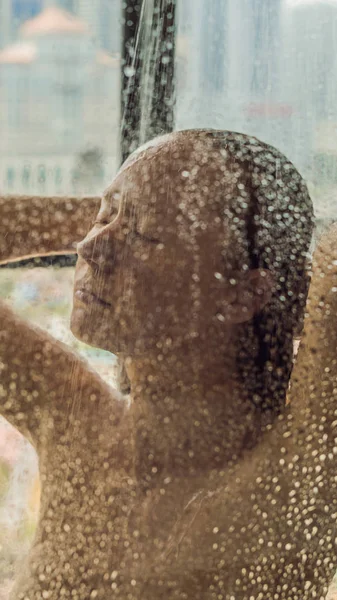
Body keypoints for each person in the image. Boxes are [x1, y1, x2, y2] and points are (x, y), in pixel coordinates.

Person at [0, 128, 334, 599]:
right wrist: (124, 205)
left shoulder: (291, 474)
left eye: (144, 234)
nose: (88, 247)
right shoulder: (77, 424)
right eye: (101, 218)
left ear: (244, 293)